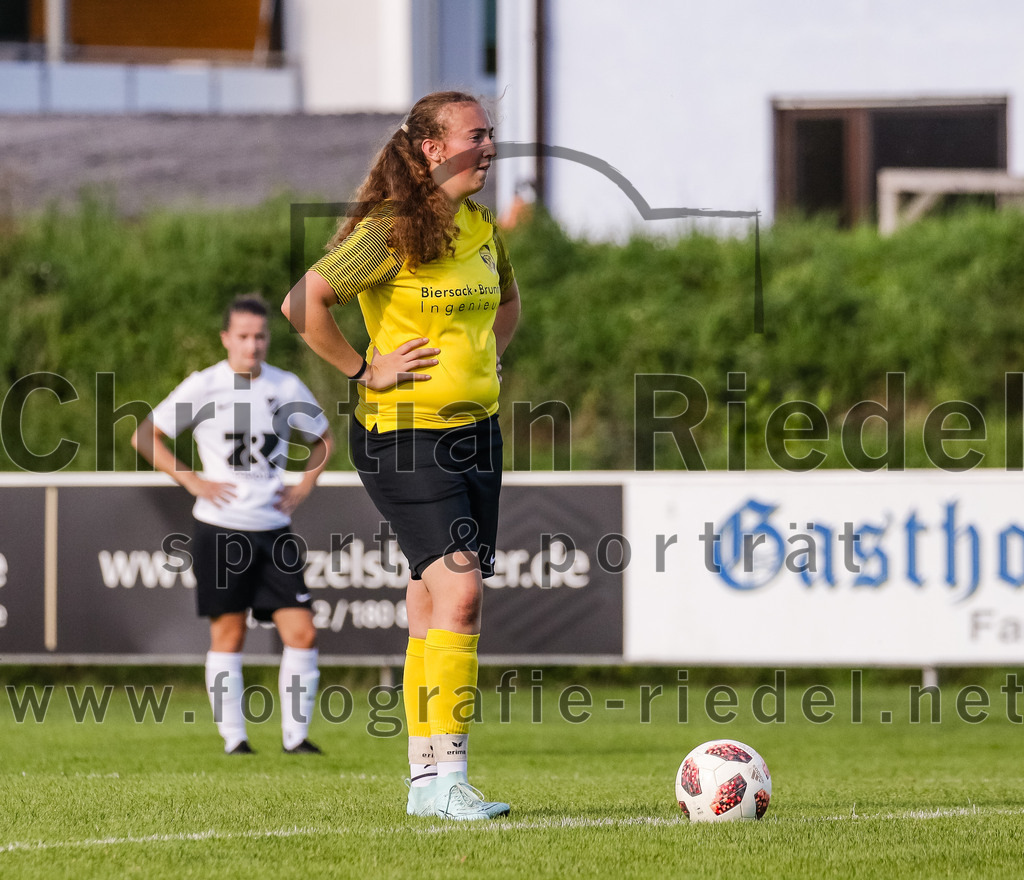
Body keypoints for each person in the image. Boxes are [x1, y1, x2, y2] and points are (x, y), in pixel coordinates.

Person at [282, 91, 521, 820]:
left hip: (476, 433)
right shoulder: (389, 230)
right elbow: (303, 303)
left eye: (490, 134)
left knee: (429, 599)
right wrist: (364, 369)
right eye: (475, 135)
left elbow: (508, 303)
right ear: (431, 149)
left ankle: (426, 784)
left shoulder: (482, 226)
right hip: (402, 434)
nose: (488, 146)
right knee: (461, 592)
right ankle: (451, 778)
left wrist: (487, 356)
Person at [131, 294, 333, 756]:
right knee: (229, 633)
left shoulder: (286, 385)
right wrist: (192, 480)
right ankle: (235, 739)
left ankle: (296, 739)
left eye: (260, 336)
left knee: (302, 632)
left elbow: (323, 438)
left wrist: (304, 484)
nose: (252, 345)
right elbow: (146, 435)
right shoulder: (205, 386)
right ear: (225, 338)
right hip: (222, 529)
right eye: (243, 336)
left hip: (274, 528)